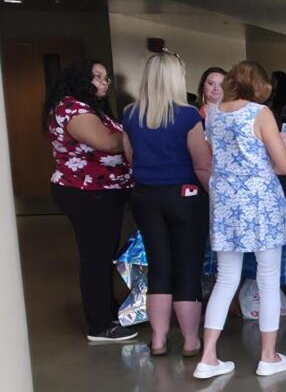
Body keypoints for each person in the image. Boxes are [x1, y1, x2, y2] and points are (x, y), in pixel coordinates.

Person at [196, 61, 286, 380]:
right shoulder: (260, 114)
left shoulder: (215, 113)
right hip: (260, 203)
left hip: (226, 203)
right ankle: (268, 356)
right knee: (268, 277)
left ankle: (208, 357)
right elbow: (285, 166)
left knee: (226, 278)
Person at [122, 53, 212, 357]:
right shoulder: (188, 116)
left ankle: (158, 340)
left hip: (145, 197)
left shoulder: (130, 115)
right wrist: (216, 195)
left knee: (159, 268)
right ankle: (190, 341)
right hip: (184, 196)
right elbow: (201, 164)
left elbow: (131, 158)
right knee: (187, 269)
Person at [44, 60, 136, 342]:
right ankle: (98, 325)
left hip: (102, 191)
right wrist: (140, 128)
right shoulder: (72, 108)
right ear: (80, 79)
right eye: (98, 77)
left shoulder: (90, 108)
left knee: (103, 254)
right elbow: (107, 143)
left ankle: (107, 313)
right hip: (87, 192)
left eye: (106, 78)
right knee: (95, 257)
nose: (105, 83)